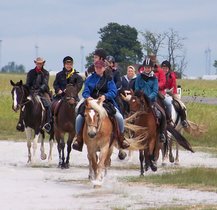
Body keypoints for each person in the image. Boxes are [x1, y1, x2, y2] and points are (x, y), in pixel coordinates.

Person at [72, 60, 130, 152]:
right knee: (79, 117)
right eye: (96, 67)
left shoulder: (109, 78)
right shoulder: (90, 79)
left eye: (100, 67)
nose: (98, 69)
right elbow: (85, 91)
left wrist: (105, 96)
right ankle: (78, 139)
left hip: (105, 102)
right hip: (91, 102)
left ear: (104, 68)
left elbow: (113, 91)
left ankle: (121, 138)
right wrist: (88, 97)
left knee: (118, 117)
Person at [135, 58, 166, 142]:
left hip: (151, 100)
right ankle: (132, 132)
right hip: (140, 100)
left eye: (149, 67)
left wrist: (148, 98)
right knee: (133, 112)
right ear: (143, 68)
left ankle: (162, 133)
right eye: (146, 67)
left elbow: (155, 91)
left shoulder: (154, 78)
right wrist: (141, 96)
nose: (147, 69)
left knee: (161, 113)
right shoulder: (139, 77)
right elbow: (137, 88)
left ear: (151, 68)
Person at [16, 57, 51, 132]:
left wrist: (39, 90)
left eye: (41, 63)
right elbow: (28, 83)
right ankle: (21, 122)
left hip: (42, 92)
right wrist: (27, 89)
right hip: (31, 92)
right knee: (23, 104)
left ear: (43, 63)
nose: (39, 64)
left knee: (49, 104)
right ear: (35, 63)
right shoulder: (31, 72)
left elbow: (45, 84)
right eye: (38, 63)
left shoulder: (46, 73)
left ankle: (47, 123)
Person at [161, 60, 188, 127]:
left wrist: (168, 91)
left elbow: (173, 87)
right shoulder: (159, 75)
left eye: (166, 68)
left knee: (179, 104)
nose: (164, 70)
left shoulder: (171, 76)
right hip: (162, 93)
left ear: (168, 69)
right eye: (163, 68)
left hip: (172, 93)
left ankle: (183, 120)